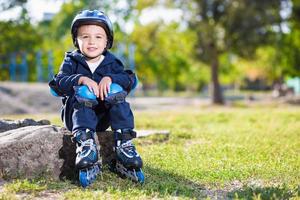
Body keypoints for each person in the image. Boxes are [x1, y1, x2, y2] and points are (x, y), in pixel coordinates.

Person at [49, 10, 144, 187]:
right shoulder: (71, 61)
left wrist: (111, 78)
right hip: (77, 117)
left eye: (98, 37)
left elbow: (130, 79)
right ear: (76, 40)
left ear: (107, 41)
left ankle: (124, 143)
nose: (92, 41)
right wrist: (81, 79)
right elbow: (58, 84)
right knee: (84, 91)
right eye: (85, 36)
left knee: (116, 89)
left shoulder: (112, 62)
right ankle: (86, 145)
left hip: (102, 118)